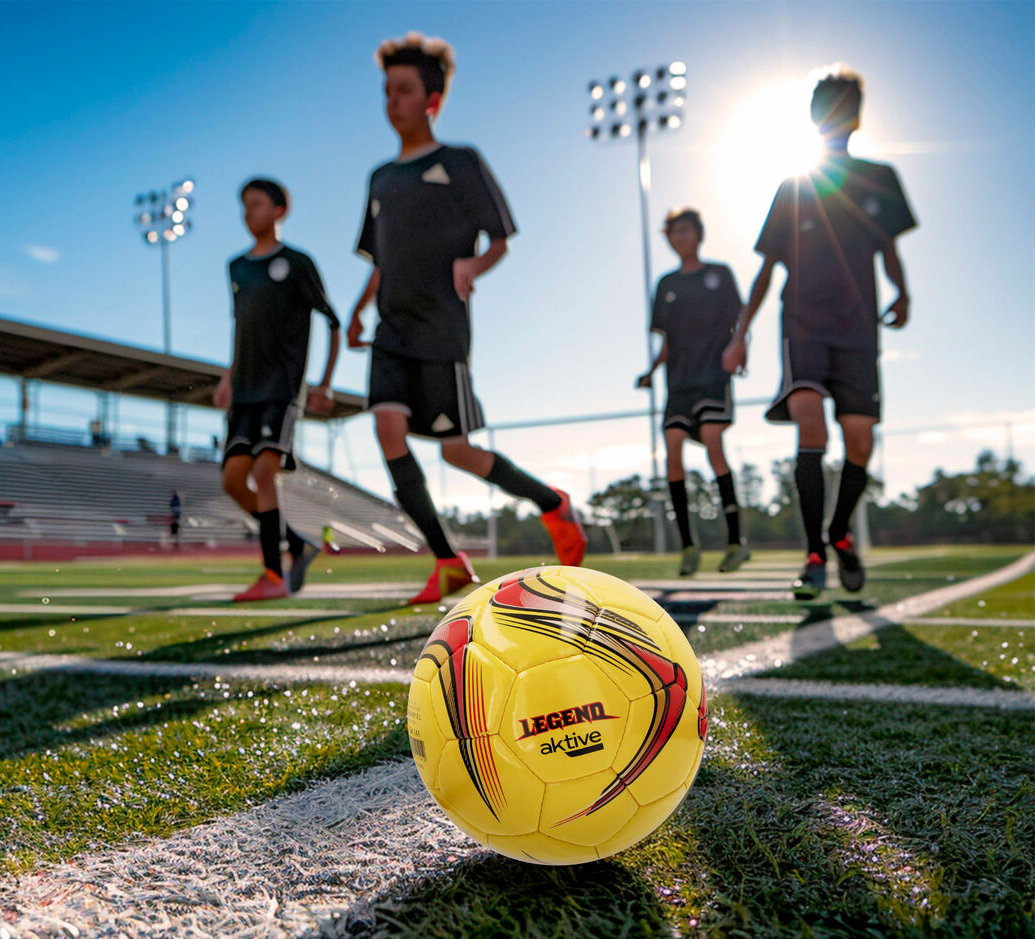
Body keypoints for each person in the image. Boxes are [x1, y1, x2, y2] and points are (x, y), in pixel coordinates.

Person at [347, 32, 586, 605]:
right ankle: (448, 560)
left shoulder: (459, 161)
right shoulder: (380, 178)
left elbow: (501, 236)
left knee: (457, 450)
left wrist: (474, 264)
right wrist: (358, 311)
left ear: (431, 100)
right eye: (386, 91)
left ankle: (552, 503)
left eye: (403, 90)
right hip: (390, 332)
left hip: (441, 330)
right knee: (387, 430)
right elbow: (381, 260)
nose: (391, 101)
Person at [723, 66, 916, 600]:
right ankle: (813, 554)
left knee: (860, 438)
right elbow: (766, 267)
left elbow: (889, 249)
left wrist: (902, 291)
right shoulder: (794, 185)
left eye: (843, 104)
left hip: (857, 328)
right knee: (812, 425)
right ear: (812, 117)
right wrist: (741, 334)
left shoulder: (880, 178)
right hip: (803, 324)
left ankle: (839, 531)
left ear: (856, 115)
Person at [214, 178, 340, 600]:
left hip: (281, 388)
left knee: (264, 472)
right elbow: (240, 328)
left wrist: (323, 382)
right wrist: (227, 378)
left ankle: (272, 576)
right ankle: (296, 543)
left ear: (279, 210)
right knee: (233, 479)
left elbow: (332, 320)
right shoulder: (237, 268)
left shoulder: (298, 263)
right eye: (244, 205)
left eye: (256, 204)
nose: (248, 212)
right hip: (245, 390)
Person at [637, 207, 748, 576]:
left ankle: (736, 542)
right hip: (678, 382)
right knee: (671, 449)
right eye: (673, 232)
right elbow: (666, 340)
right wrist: (651, 371)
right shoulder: (666, 285)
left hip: (712, 377)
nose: (679, 237)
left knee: (714, 444)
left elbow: (739, 320)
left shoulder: (719, 274)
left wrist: (740, 347)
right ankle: (688, 546)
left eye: (685, 230)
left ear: (698, 234)